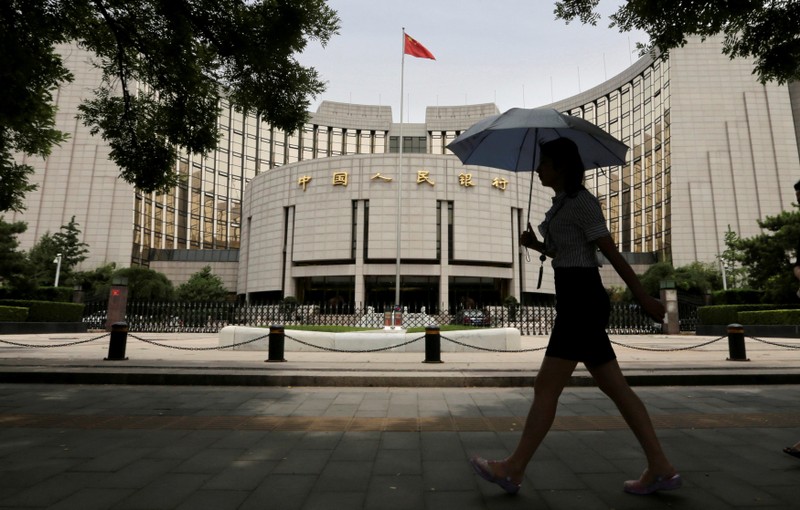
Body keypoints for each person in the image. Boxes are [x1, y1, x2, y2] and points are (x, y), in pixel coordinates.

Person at [469, 137, 680, 496]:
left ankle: (513, 468)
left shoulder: (582, 202)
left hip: (582, 298)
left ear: (561, 166)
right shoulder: (562, 203)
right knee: (615, 387)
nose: (538, 169)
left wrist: (642, 295)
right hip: (574, 296)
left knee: (547, 385)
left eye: (544, 163)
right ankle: (659, 465)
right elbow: (563, 250)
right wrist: (535, 245)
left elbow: (609, 252)